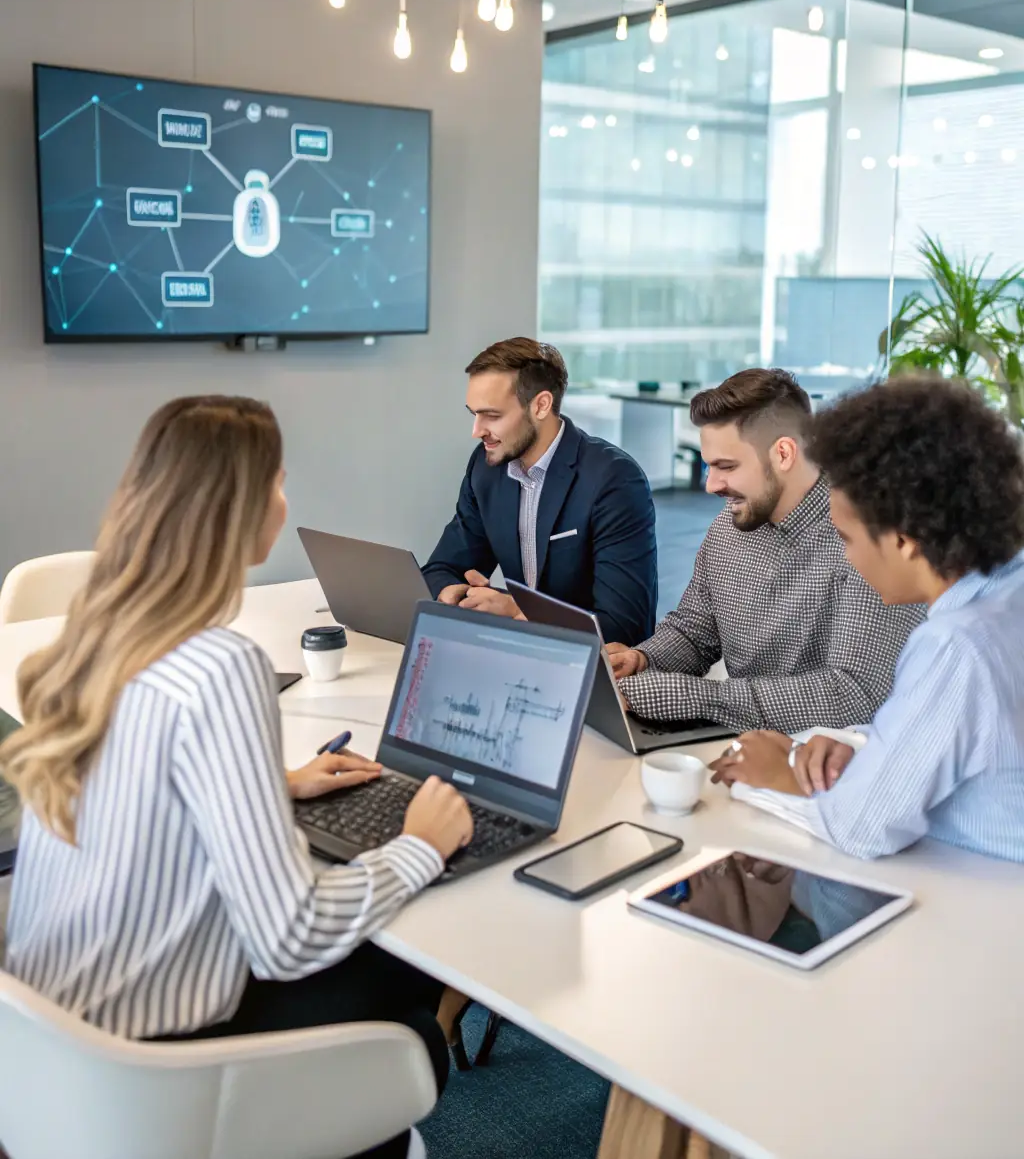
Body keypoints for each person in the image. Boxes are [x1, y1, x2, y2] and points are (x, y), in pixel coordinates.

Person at [1, 396, 473, 1159]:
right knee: (412, 1005)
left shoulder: (101, 631)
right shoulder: (224, 666)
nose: (286, 500)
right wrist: (420, 843)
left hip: (48, 1048)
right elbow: (288, 934)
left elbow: (135, 782)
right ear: (242, 507)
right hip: (150, 1064)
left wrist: (269, 785)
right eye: (279, 481)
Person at [710, 374, 1024, 863]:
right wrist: (860, 750)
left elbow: (861, 828)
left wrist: (776, 774)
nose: (846, 557)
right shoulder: (1008, 587)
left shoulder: (954, 643)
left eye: (847, 537)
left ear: (905, 539)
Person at [607, 368, 922, 733]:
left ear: (783, 453)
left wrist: (692, 696)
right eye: (709, 466)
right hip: (745, 744)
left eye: (727, 466)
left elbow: (852, 696)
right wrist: (643, 659)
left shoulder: (865, 538)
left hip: (835, 761)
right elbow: (694, 630)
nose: (711, 485)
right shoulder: (730, 527)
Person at [422, 337, 658, 646]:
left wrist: (517, 612)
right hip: (514, 652)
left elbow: (625, 626)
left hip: (592, 670)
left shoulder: (614, 480)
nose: (477, 430)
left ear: (541, 405)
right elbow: (441, 568)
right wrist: (455, 593)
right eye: (474, 414)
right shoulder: (487, 467)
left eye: (492, 415)